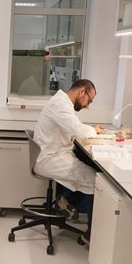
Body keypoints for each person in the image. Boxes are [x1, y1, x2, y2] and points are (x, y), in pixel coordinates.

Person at [33, 79, 103, 245]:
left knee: (89, 173)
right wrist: (93, 131)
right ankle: (91, 233)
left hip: (55, 155)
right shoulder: (60, 105)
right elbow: (78, 130)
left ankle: (65, 201)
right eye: (89, 100)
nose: (87, 105)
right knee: (98, 181)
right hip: (50, 159)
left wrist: (90, 130)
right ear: (81, 92)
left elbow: (73, 126)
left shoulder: (62, 103)